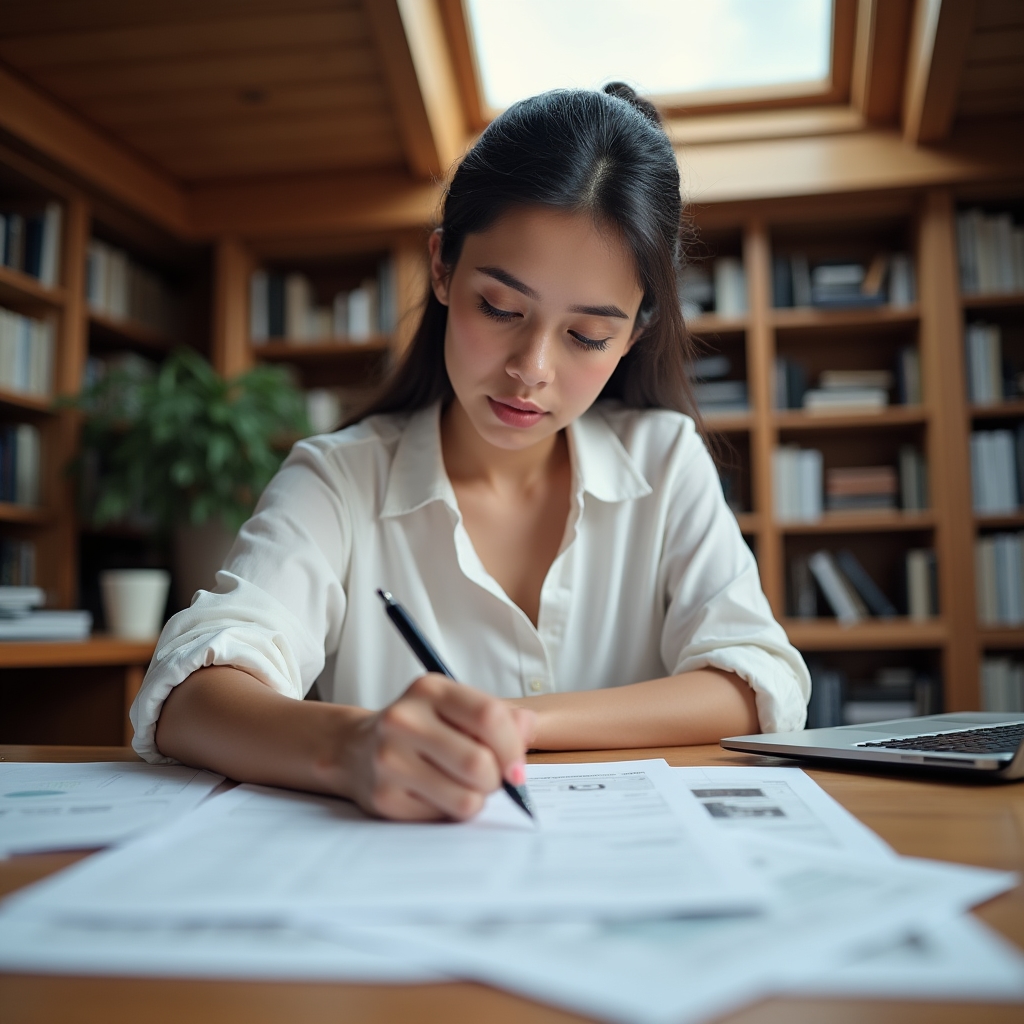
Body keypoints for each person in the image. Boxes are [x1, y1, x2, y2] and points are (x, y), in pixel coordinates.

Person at [136, 84, 809, 822]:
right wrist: (355, 747)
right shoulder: (340, 479)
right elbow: (190, 697)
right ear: (443, 269)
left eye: (587, 335)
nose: (532, 369)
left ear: (635, 335)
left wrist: (517, 723)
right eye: (501, 308)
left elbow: (755, 682)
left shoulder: (664, 460)